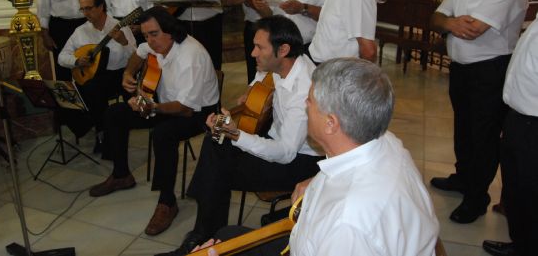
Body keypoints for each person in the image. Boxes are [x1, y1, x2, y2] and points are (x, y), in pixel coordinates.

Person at [187, 58, 440, 256]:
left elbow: (347, 222)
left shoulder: (348, 222)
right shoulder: (385, 140)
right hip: (309, 237)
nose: (305, 106)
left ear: (331, 123)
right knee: (228, 235)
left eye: (309, 101)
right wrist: (315, 181)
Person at [159, 15, 324, 256]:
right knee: (214, 143)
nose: (253, 53)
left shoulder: (303, 89)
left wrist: (236, 135)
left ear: (284, 49)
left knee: (217, 168)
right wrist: (252, 89)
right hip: (277, 139)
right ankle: (207, 238)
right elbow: (261, 75)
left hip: (299, 163)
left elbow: (285, 153)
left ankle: (203, 240)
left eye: (260, 47)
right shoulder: (285, 63)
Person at [88, 7, 219, 237]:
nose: (150, 40)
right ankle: (121, 175)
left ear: (170, 31)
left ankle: (167, 203)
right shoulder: (158, 42)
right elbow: (139, 53)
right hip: (166, 103)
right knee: (114, 114)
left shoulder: (191, 56)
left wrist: (152, 107)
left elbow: (186, 109)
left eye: (154, 34)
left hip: (199, 113)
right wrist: (127, 74)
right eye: (146, 34)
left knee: (163, 134)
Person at [429, 0, 528, 224]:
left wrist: (451, 22)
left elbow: (475, 30)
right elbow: (435, 17)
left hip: (490, 70)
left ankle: (477, 197)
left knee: (483, 135)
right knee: (463, 128)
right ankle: (463, 178)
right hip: (461, 69)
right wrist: (450, 23)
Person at [481, 18, 538, 256]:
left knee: (531, 192)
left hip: (533, 123)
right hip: (518, 118)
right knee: (516, 188)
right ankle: (521, 244)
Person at [58, 0, 136, 151]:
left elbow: (136, 57)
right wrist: (77, 61)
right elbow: (61, 57)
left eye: (89, 8)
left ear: (101, 7)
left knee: (93, 90)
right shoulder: (80, 31)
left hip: (118, 74)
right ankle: (97, 129)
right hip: (91, 76)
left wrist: (123, 42)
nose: (85, 13)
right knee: (74, 93)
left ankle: (105, 132)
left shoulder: (120, 27)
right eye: (82, 8)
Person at [224, 0, 273, 83]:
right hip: (252, 26)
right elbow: (232, 1)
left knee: (272, 64)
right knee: (253, 65)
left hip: (272, 26)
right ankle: (253, 94)